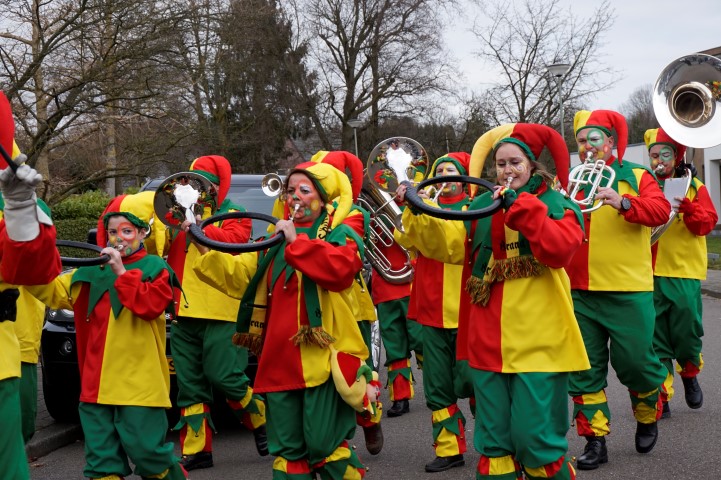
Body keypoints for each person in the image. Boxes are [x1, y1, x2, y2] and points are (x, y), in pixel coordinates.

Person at [396, 123, 588, 480]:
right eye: (500, 164)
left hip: (539, 342)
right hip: (488, 342)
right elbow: (450, 245)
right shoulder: (483, 204)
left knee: (536, 441)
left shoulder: (555, 202)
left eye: (515, 162)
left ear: (531, 165)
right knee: (494, 445)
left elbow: (561, 249)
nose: (507, 170)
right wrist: (418, 209)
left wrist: (523, 208)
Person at [192, 161, 372, 479]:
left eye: (305, 190)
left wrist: (296, 243)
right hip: (279, 362)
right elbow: (241, 276)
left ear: (324, 200)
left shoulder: (340, 235)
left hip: (323, 363)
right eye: (290, 191)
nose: (295, 197)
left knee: (326, 448)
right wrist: (201, 243)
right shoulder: (273, 241)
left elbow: (341, 271)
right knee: (288, 455)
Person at [25, 206, 187, 480]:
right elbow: (50, 290)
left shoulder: (155, 268)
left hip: (139, 384)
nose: (118, 238)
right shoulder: (89, 271)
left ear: (142, 233)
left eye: (127, 231)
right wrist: (27, 258)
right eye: (112, 232)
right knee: (102, 464)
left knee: (150, 456)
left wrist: (122, 272)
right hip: (96, 385)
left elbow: (150, 306)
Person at [566, 110, 671, 470]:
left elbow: (660, 211)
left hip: (628, 289)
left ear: (610, 142)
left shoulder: (637, 175)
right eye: (581, 140)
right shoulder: (571, 181)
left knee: (637, 363)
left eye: (594, 138)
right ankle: (595, 440)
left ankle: (646, 415)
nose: (587, 146)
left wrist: (624, 202)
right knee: (584, 370)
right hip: (580, 291)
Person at [165, 155, 267, 470]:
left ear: (216, 187)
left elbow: (234, 242)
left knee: (226, 377)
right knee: (190, 386)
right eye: (190, 182)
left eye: (202, 183)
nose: (194, 189)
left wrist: (196, 226)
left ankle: (261, 420)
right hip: (183, 312)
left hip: (222, 311)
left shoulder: (234, 214)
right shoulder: (173, 215)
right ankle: (197, 450)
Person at [394, 152, 474, 473]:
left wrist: (427, 207)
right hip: (432, 308)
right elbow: (406, 239)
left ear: (464, 179)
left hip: (467, 309)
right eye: (439, 170)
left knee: (476, 383)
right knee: (437, 386)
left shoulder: (474, 208)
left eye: (450, 170)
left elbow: (454, 241)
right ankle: (449, 448)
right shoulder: (426, 205)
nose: (443, 175)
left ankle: (495, 444)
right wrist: (412, 206)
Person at [644, 127, 717, 416]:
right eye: (653, 155)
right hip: (647, 271)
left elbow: (707, 224)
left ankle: (689, 373)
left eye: (665, 154)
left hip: (683, 270)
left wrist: (690, 210)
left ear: (676, 157)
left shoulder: (694, 185)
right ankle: (661, 395)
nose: (659, 160)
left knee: (687, 331)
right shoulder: (643, 184)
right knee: (655, 337)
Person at [0, 139, 62, 478]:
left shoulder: (16, 202)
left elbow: (37, 270)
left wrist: (20, 209)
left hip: (13, 345)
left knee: (16, 441)